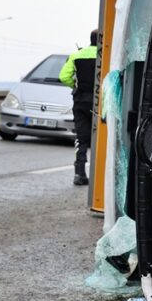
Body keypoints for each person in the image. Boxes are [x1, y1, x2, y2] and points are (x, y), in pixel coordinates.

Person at [59, 30, 99, 186]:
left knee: (81, 138)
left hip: (80, 100)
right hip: (99, 101)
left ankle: (79, 173)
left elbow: (64, 76)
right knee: (101, 137)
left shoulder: (76, 55)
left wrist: (75, 87)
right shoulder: (106, 54)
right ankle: (99, 174)